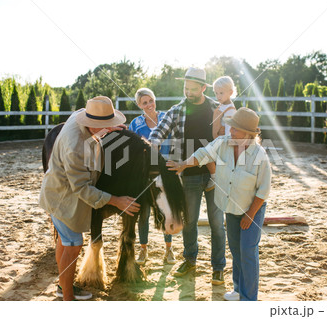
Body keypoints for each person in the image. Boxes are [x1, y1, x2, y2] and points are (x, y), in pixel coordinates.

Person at [39, 96, 141, 301]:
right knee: (74, 244)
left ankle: (62, 286)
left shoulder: (80, 116)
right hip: (62, 197)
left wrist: (105, 129)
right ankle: (68, 297)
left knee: (65, 241)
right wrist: (116, 200)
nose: (107, 128)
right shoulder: (75, 146)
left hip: (57, 191)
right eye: (103, 125)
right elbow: (82, 189)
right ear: (91, 124)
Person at [167, 107, 272, 301]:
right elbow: (203, 153)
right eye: (231, 127)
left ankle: (249, 300)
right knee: (235, 249)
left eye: (235, 129)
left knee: (248, 251)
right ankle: (239, 290)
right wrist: (183, 164)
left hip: (252, 209)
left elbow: (263, 191)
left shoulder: (260, 155)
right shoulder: (223, 143)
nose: (230, 131)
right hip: (231, 206)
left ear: (248, 134)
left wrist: (250, 215)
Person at [149, 67, 226, 285]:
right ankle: (190, 260)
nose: (188, 92)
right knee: (189, 221)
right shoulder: (176, 110)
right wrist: (150, 146)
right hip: (187, 173)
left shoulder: (216, 108)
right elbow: (158, 133)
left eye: (193, 89)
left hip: (215, 174)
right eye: (186, 88)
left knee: (217, 223)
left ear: (203, 88)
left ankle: (218, 267)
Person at [129, 88, 176, 265]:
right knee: (144, 213)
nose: (149, 105)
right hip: (144, 174)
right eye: (144, 102)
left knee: (165, 211)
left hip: (165, 171)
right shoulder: (136, 124)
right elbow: (131, 148)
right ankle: (143, 250)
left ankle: (169, 249)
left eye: (151, 101)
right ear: (139, 105)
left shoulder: (166, 117)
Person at [205, 76, 238, 191]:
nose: (218, 96)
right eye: (216, 93)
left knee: (207, 155)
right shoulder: (223, 106)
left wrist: (223, 139)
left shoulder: (231, 111)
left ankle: (214, 177)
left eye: (221, 93)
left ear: (230, 92)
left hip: (224, 142)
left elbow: (231, 131)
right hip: (219, 139)